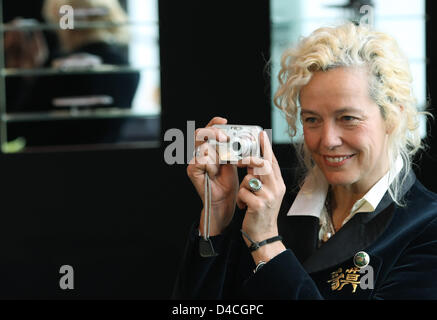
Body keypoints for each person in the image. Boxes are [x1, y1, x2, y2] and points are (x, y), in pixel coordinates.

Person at [172, 23, 437, 299]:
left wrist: (266, 244)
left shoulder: (427, 226)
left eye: (348, 118)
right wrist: (216, 219)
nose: (327, 140)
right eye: (312, 120)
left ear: (393, 117)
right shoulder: (266, 200)